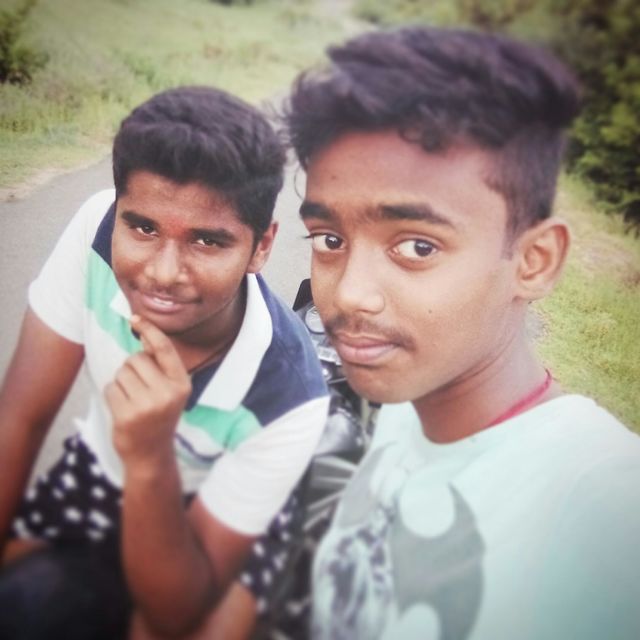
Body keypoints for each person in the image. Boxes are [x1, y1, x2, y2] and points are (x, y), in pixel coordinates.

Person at [284, 26, 640, 640]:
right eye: (329, 239)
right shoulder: (410, 403)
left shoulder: (604, 506)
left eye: (417, 247)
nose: (348, 295)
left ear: (534, 261)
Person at [0, 85, 329, 639]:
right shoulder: (98, 230)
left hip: (231, 512)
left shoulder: (291, 396)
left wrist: (151, 457)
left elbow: (174, 613)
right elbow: (20, 416)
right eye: (144, 228)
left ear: (261, 246)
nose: (162, 273)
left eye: (207, 241)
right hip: (104, 468)